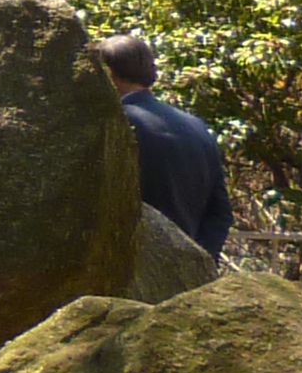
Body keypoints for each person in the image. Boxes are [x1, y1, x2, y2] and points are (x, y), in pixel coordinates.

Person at [98, 32, 231, 257]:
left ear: (108, 73)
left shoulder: (114, 124)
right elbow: (220, 213)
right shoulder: (196, 126)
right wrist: (198, 264)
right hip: (188, 268)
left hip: (128, 265)